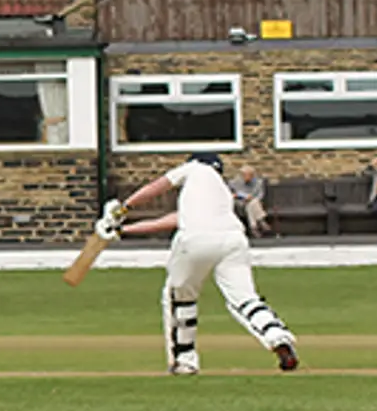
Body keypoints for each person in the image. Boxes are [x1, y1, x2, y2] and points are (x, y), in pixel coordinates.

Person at [97, 153, 299, 375]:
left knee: (180, 298)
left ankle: (184, 360)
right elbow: (172, 220)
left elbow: (158, 186)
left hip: (195, 240)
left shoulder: (194, 168)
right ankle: (277, 336)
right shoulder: (221, 192)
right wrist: (122, 230)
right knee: (245, 299)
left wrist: (124, 208)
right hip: (233, 241)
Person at [227, 165, 271, 238]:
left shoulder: (258, 183)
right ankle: (261, 221)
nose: (247, 177)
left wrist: (252, 198)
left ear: (253, 175)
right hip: (240, 203)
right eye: (245, 175)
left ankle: (253, 227)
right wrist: (236, 196)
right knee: (252, 204)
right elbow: (229, 193)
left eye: (249, 175)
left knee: (252, 204)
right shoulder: (234, 182)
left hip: (254, 203)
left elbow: (260, 195)